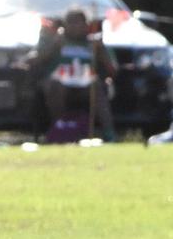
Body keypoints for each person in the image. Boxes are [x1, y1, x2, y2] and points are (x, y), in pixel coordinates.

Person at [19, 7, 117, 142]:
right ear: (65, 25)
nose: (76, 26)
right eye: (71, 22)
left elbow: (113, 70)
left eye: (79, 22)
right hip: (58, 82)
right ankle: (60, 127)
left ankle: (109, 133)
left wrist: (101, 52)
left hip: (85, 83)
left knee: (97, 86)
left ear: (86, 25)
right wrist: (53, 46)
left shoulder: (93, 43)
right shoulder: (55, 40)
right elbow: (34, 60)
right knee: (55, 85)